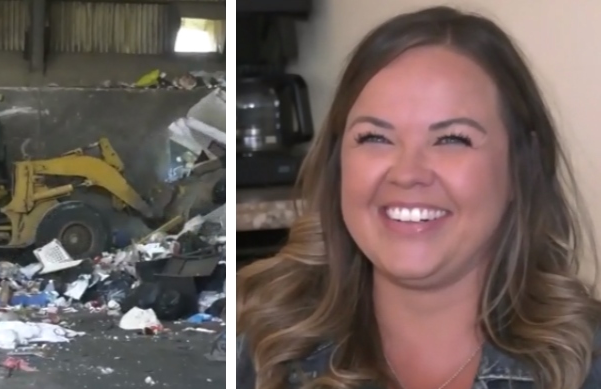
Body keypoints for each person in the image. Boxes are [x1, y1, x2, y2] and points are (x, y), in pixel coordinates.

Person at [236, 6, 601, 389]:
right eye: (374, 137)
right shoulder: (259, 352)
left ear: (519, 166)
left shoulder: (587, 367)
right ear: (338, 161)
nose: (407, 174)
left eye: (452, 139)